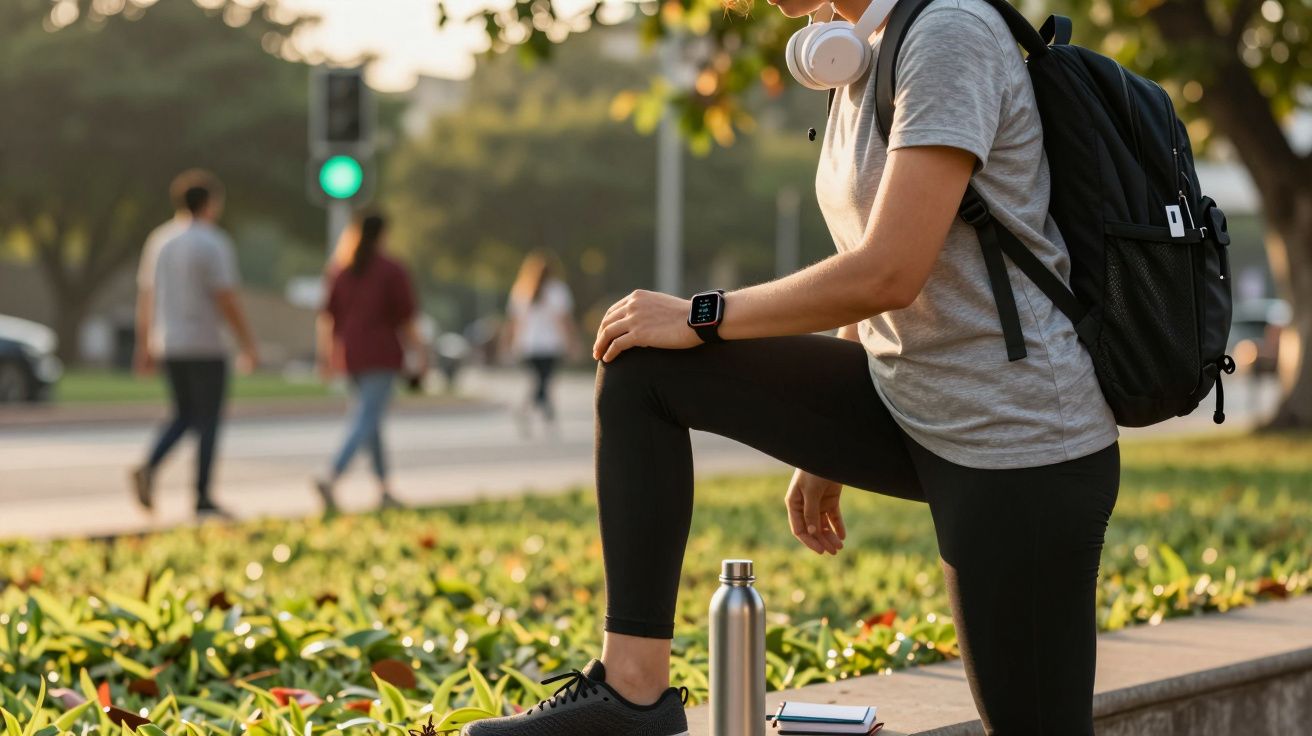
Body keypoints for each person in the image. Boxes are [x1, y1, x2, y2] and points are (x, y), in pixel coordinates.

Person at [464, 0, 1120, 733]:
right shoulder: (856, 52)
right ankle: (634, 693)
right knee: (643, 367)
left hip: (1016, 438)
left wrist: (703, 314)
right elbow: (866, 263)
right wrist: (823, 438)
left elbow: (889, 272)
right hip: (909, 401)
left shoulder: (949, 33)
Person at [130, 170, 258, 521]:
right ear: (210, 203)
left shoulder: (160, 241)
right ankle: (202, 494)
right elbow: (226, 297)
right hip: (205, 344)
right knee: (208, 421)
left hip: (169, 342)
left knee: (184, 413)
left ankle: (151, 464)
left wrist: (143, 345)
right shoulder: (212, 242)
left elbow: (146, 297)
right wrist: (248, 343)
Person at [314, 212, 427, 512]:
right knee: (366, 418)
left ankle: (384, 489)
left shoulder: (341, 270)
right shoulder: (391, 270)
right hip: (381, 354)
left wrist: (326, 356)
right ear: (384, 235)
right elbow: (407, 319)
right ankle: (332, 475)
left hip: (351, 354)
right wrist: (422, 354)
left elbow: (328, 319)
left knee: (371, 422)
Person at [502, 252, 578, 436]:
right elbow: (563, 321)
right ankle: (541, 415)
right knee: (543, 382)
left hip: (527, 345)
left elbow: (514, 322)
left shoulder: (521, 289)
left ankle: (540, 415)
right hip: (549, 345)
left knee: (540, 382)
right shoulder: (557, 290)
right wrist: (571, 343)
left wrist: (508, 344)